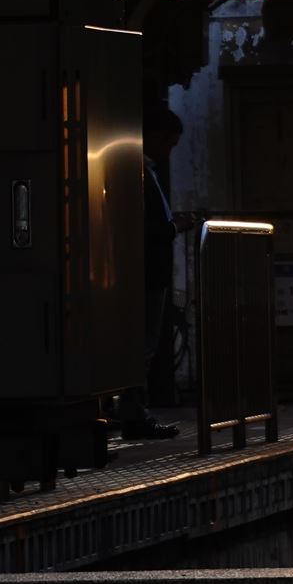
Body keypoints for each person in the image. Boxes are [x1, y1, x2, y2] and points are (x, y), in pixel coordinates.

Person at [116, 106, 184, 439]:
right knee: (142, 345)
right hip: (147, 272)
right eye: (169, 142)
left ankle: (131, 409)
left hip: (144, 272)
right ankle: (133, 412)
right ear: (155, 136)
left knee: (141, 345)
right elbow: (142, 228)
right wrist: (174, 228)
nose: (168, 150)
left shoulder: (143, 171)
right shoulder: (140, 173)